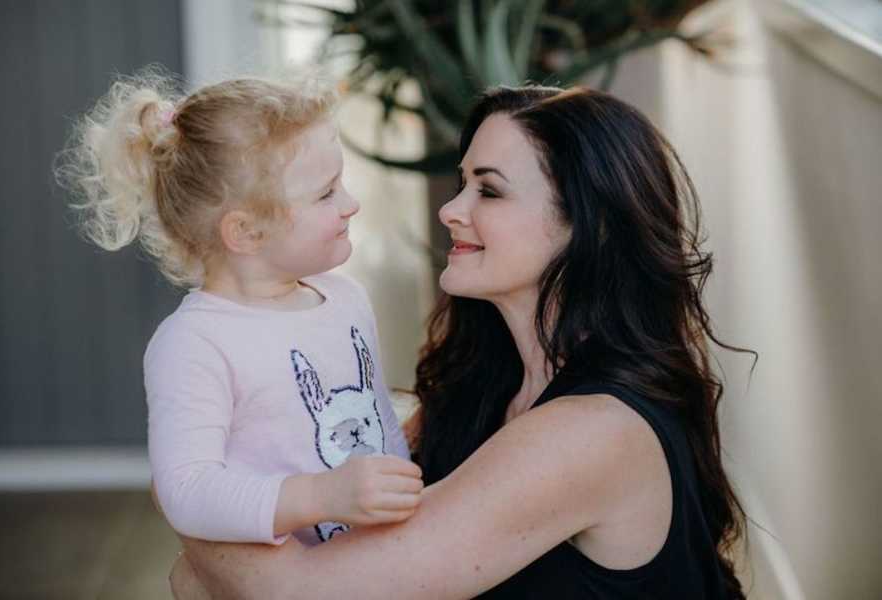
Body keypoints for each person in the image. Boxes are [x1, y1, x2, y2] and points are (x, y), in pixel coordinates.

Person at [168, 84, 749, 599]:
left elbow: (299, 591)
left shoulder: (591, 431)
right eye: (461, 183)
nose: (451, 210)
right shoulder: (488, 382)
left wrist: (203, 511)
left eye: (488, 192)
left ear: (588, 227)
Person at [59, 72, 422, 549]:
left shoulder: (346, 298)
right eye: (326, 193)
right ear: (247, 232)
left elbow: (380, 429)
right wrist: (321, 495)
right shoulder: (195, 344)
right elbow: (186, 492)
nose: (351, 204)